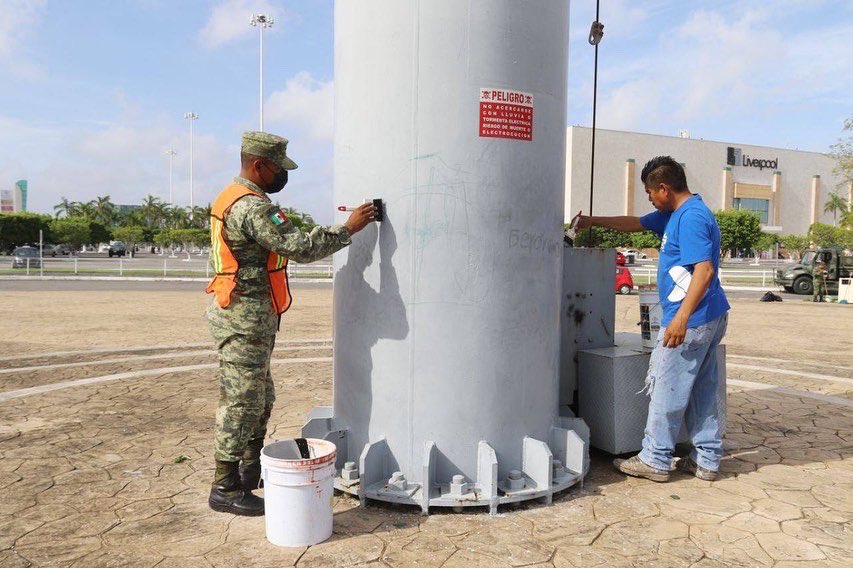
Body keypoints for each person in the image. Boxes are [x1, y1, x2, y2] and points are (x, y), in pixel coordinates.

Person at [205, 131, 377, 516]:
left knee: (260, 396)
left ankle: (250, 471)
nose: (283, 175)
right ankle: (225, 485)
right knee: (242, 399)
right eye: (279, 168)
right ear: (259, 165)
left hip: (248, 315)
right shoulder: (251, 207)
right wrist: (347, 229)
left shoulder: (237, 197)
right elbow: (298, 246)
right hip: (243, 317)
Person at [577, 156, 730, 482]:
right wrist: (592, 221)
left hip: (691, 319)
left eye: (649, 192)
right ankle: (706, 459)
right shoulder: (675, 214)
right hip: (708, 316)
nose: (648, 198)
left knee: (666, 385)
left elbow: (704, 272)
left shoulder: (689, 218)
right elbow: (635, 223)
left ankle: (656, 458)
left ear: (664, 188)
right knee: (703, 390)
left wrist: (680, 320)